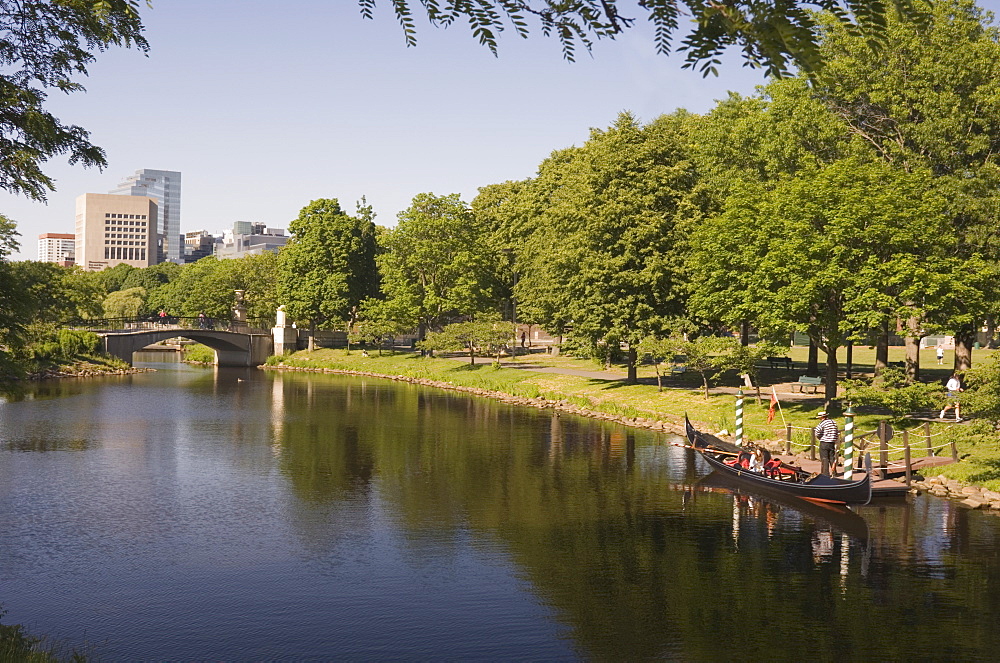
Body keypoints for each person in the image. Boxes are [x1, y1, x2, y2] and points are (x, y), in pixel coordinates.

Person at [814, 411, 839, 476]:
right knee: (832, 457)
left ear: (821, 417)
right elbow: (836, 432)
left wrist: (819, 437)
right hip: (832, 442)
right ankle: (834, 472)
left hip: (824, 442)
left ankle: (825, 474)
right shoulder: (833, 422)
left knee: (824, 458)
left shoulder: (822, 423)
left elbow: (817, 432)